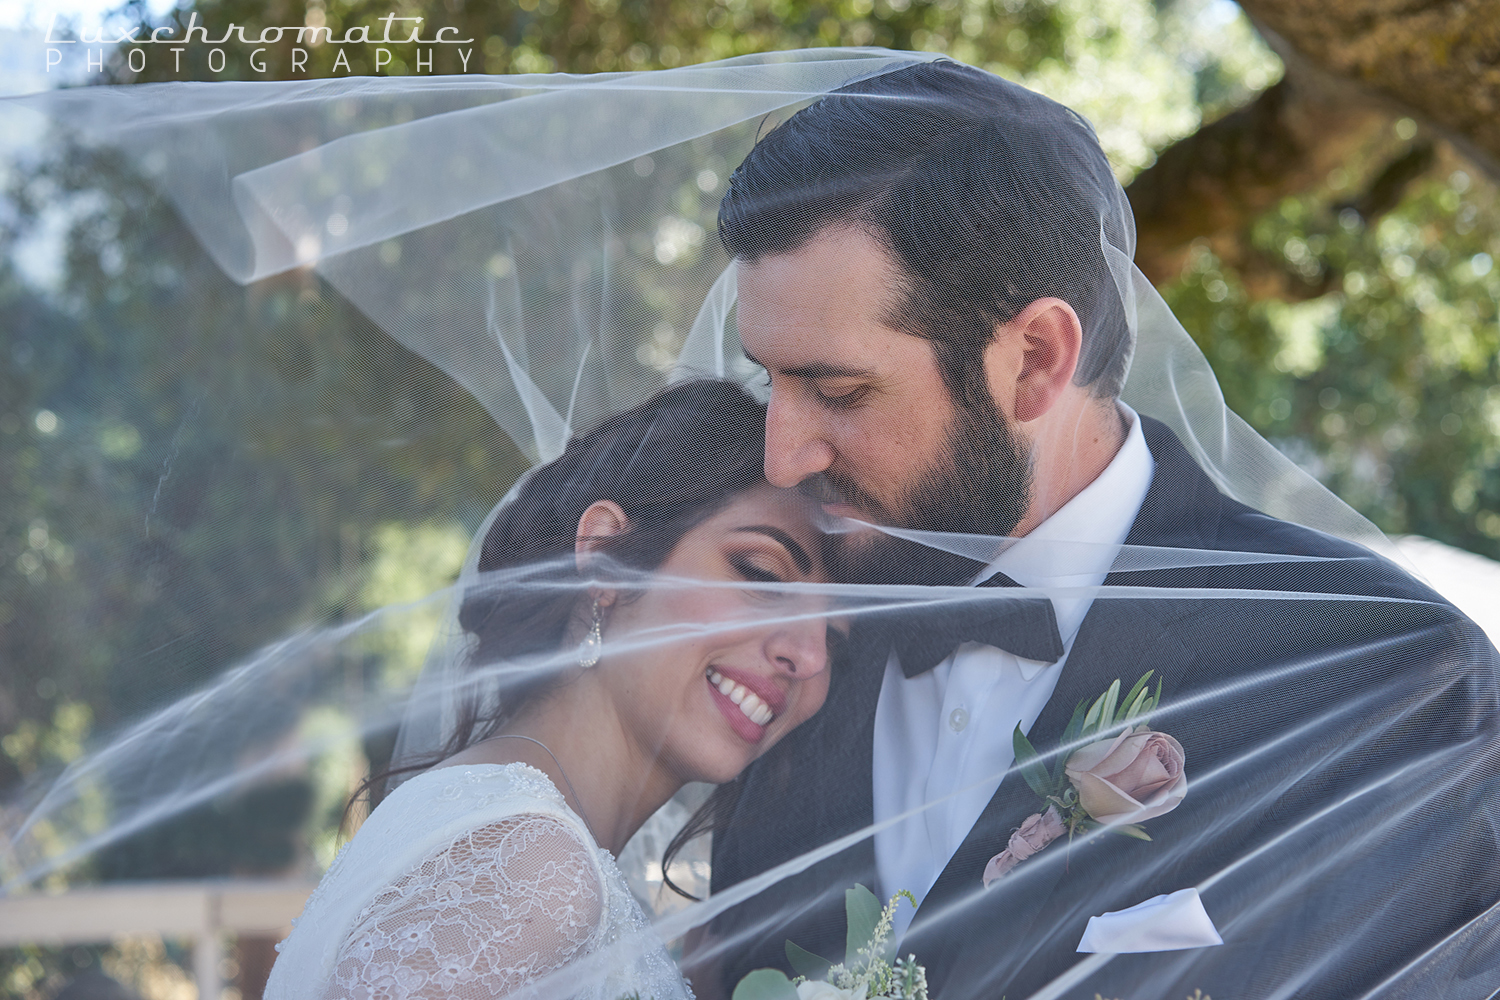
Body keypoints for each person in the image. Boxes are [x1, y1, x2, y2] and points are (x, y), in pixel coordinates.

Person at [698, 59, 1500, 1000]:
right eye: (769, 381)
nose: (783, 457)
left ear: (1036, 358)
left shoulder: (1386, 673)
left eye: (839, 392)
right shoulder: (781, 646)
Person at [264, 379, 837, 1000]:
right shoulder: (533, 867)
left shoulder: (517, 839)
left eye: (839, 635)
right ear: (608, 555)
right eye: (761, 574)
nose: (807, 656)